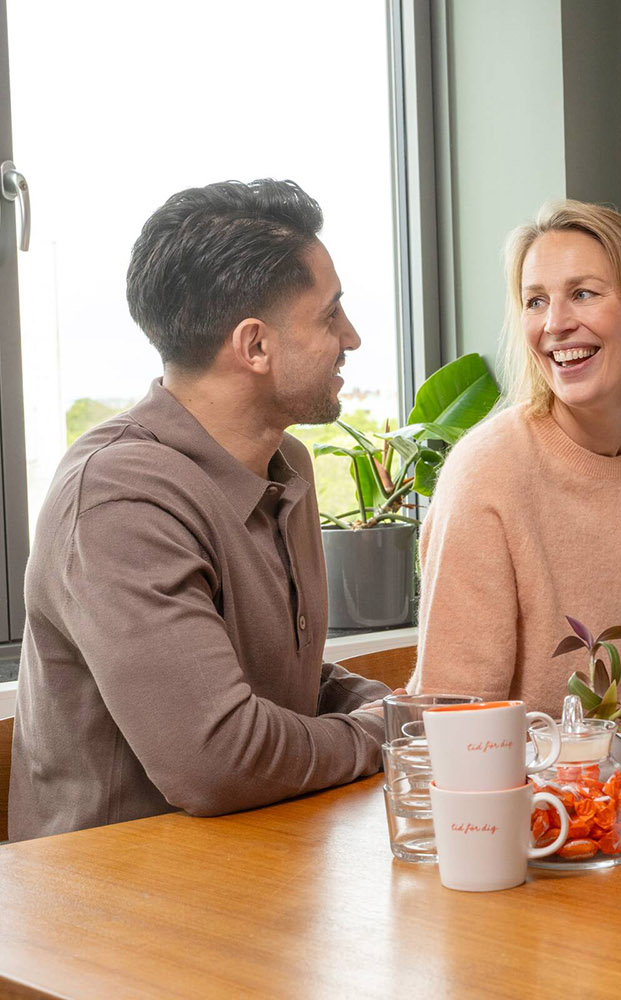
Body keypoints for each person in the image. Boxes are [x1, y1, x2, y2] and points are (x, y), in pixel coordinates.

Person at [8, 179, 390, 841]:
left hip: (252, 870)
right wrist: (384, 735)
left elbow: (277, 679)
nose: (351, 338)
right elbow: (220, 759)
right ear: (255, 347)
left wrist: (403, 712)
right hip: (116, 917)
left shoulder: (286, 466)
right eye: (331, 316)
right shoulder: (120, 499)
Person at [413, 201, 621, 713]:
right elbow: (455, 716)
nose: (554, 323)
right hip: (532, 791)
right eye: (535, 301)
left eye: (582, 294)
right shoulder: (487, 472)